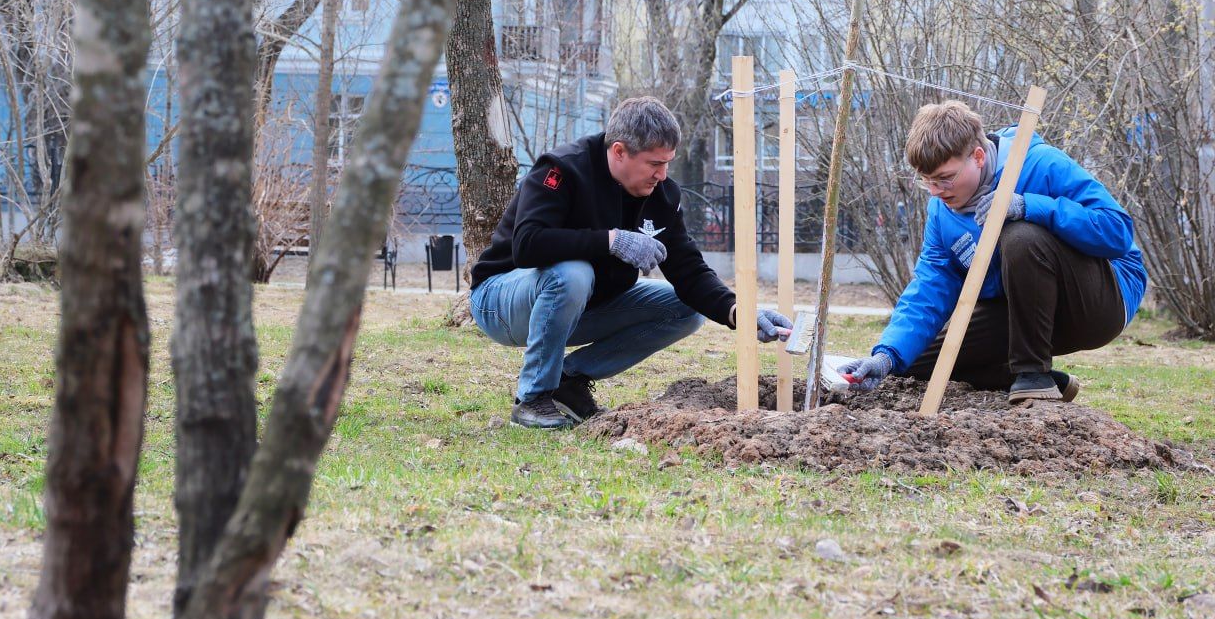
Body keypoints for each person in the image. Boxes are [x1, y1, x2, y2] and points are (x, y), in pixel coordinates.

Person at [471, 97, 793, 429]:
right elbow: (527, 245)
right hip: (502, 301)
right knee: (573, 273)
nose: (662, 175)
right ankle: (534, 398)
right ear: (619, 151)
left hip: (580, 306)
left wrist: (740, 312)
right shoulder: (563, 169)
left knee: (686, 309)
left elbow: (688, 268)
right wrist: (611, 240)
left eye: (667, 163)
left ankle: (569, 380)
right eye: (654, 163)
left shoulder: (662, 194)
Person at [839, 100, 1147, 404]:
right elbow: (930, 285)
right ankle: (1037, 380)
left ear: (978, 156)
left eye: (945, 178)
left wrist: (1029, 206)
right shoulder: (941, 210)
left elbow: (1117, 231)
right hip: (1020, 310)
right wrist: (885, 356)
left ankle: (1033, 375)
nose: (935, 191)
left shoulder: (1039, 163)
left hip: (1099, 302)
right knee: (916, 359)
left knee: (1020, 235)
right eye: (926, 181)